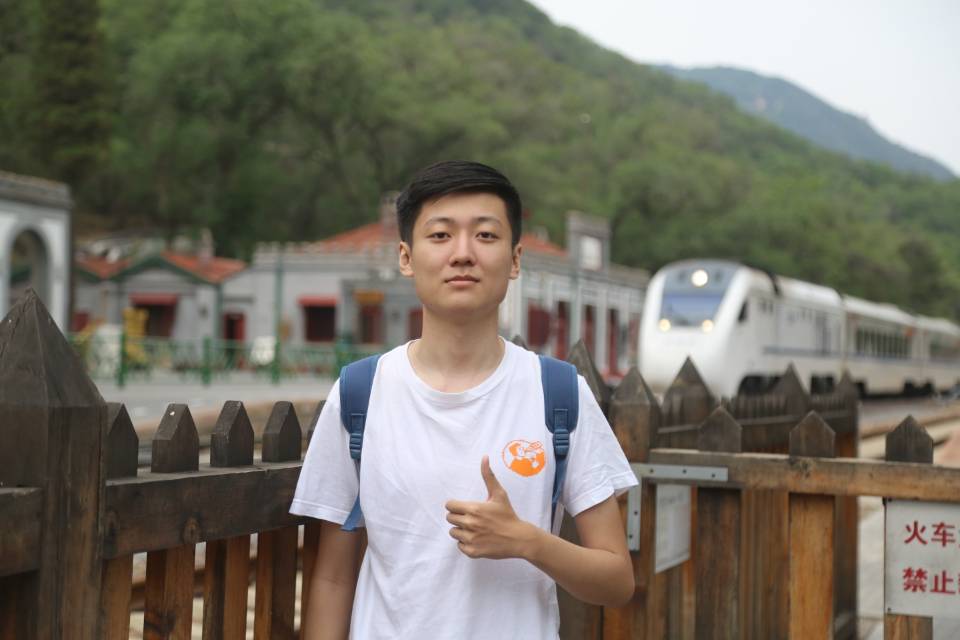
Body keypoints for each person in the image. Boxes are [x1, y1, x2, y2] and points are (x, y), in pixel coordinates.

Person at [291, 161, 638, 639]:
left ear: (514, 260)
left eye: (486, 236)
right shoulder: (361, 393)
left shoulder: (557, 393)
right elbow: (332, 579)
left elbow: (617, 580)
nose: (462, 254)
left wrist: (527, 541)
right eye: (440, 235)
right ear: (406, 257)